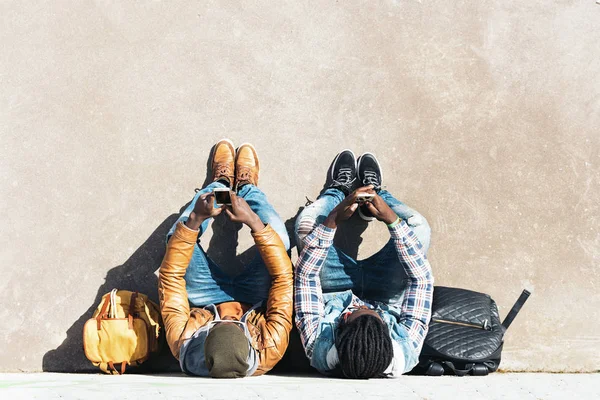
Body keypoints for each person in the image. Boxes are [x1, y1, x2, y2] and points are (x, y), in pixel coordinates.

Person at [158, 139, 293, 378]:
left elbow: (171, 277)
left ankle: (220, 187)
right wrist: (252, 220)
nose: (230, 316)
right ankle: (248, 189)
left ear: (205, 336)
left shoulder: (184, 342)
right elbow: (283, 278)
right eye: (236, 324)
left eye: (219, 325)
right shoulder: (270, 348)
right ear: (249, 341)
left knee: (175, 237)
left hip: (205, 296)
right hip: (255, 297)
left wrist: (196, 220)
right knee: (281, 242)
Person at [294, 150, 434, 379]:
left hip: (333, 288)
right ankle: (374, 196)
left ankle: (339, 191)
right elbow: (421, 281)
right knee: (418, 227)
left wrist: (332, 220)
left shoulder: (318, 346)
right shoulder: (405, 350)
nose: (360, 306)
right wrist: (392, 219)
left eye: (353, 314)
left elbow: (305, 277)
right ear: (388, 335)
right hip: (385, 291)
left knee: (307, 225)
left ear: (340, 334)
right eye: (374, 315)